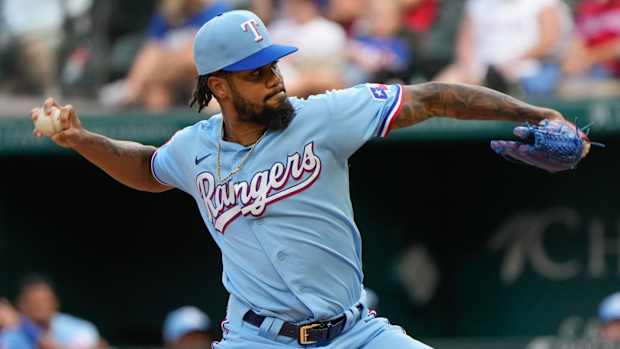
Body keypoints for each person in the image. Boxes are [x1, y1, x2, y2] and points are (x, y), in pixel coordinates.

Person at [31, 10, 578, 349]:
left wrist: (537, 115)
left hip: (355, 333)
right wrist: (83, 140)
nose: (274, 81)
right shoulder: (193, 149)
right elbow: (149, 167)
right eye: (256, 73)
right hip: (256, 338)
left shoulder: (324, 115)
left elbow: (431, 98)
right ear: (219, 87)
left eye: (274, 66)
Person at [0, 274, 105, 349]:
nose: (40, 307)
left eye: (45, 300)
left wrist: (22, 324)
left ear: (56, 302)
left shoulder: (80, 330)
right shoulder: (10, 336)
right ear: (20, 304)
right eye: (33, 302)